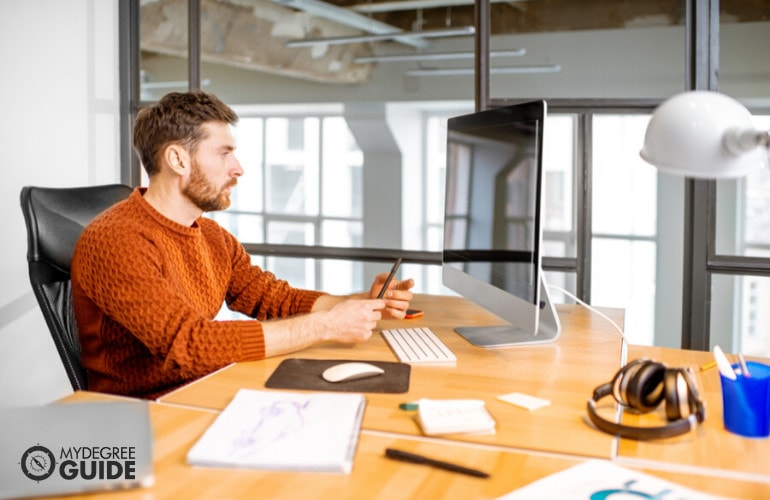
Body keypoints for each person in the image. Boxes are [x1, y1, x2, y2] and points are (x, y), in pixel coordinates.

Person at [71, 91, 414, 399]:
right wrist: (326, 325)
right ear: (178, 160)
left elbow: (274, 300)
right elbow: (188, 346)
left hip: (205, 389)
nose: (238, 169)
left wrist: (362, 303)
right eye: (224, 153)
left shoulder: (212, 237)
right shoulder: (117, 240)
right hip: (148, 413)